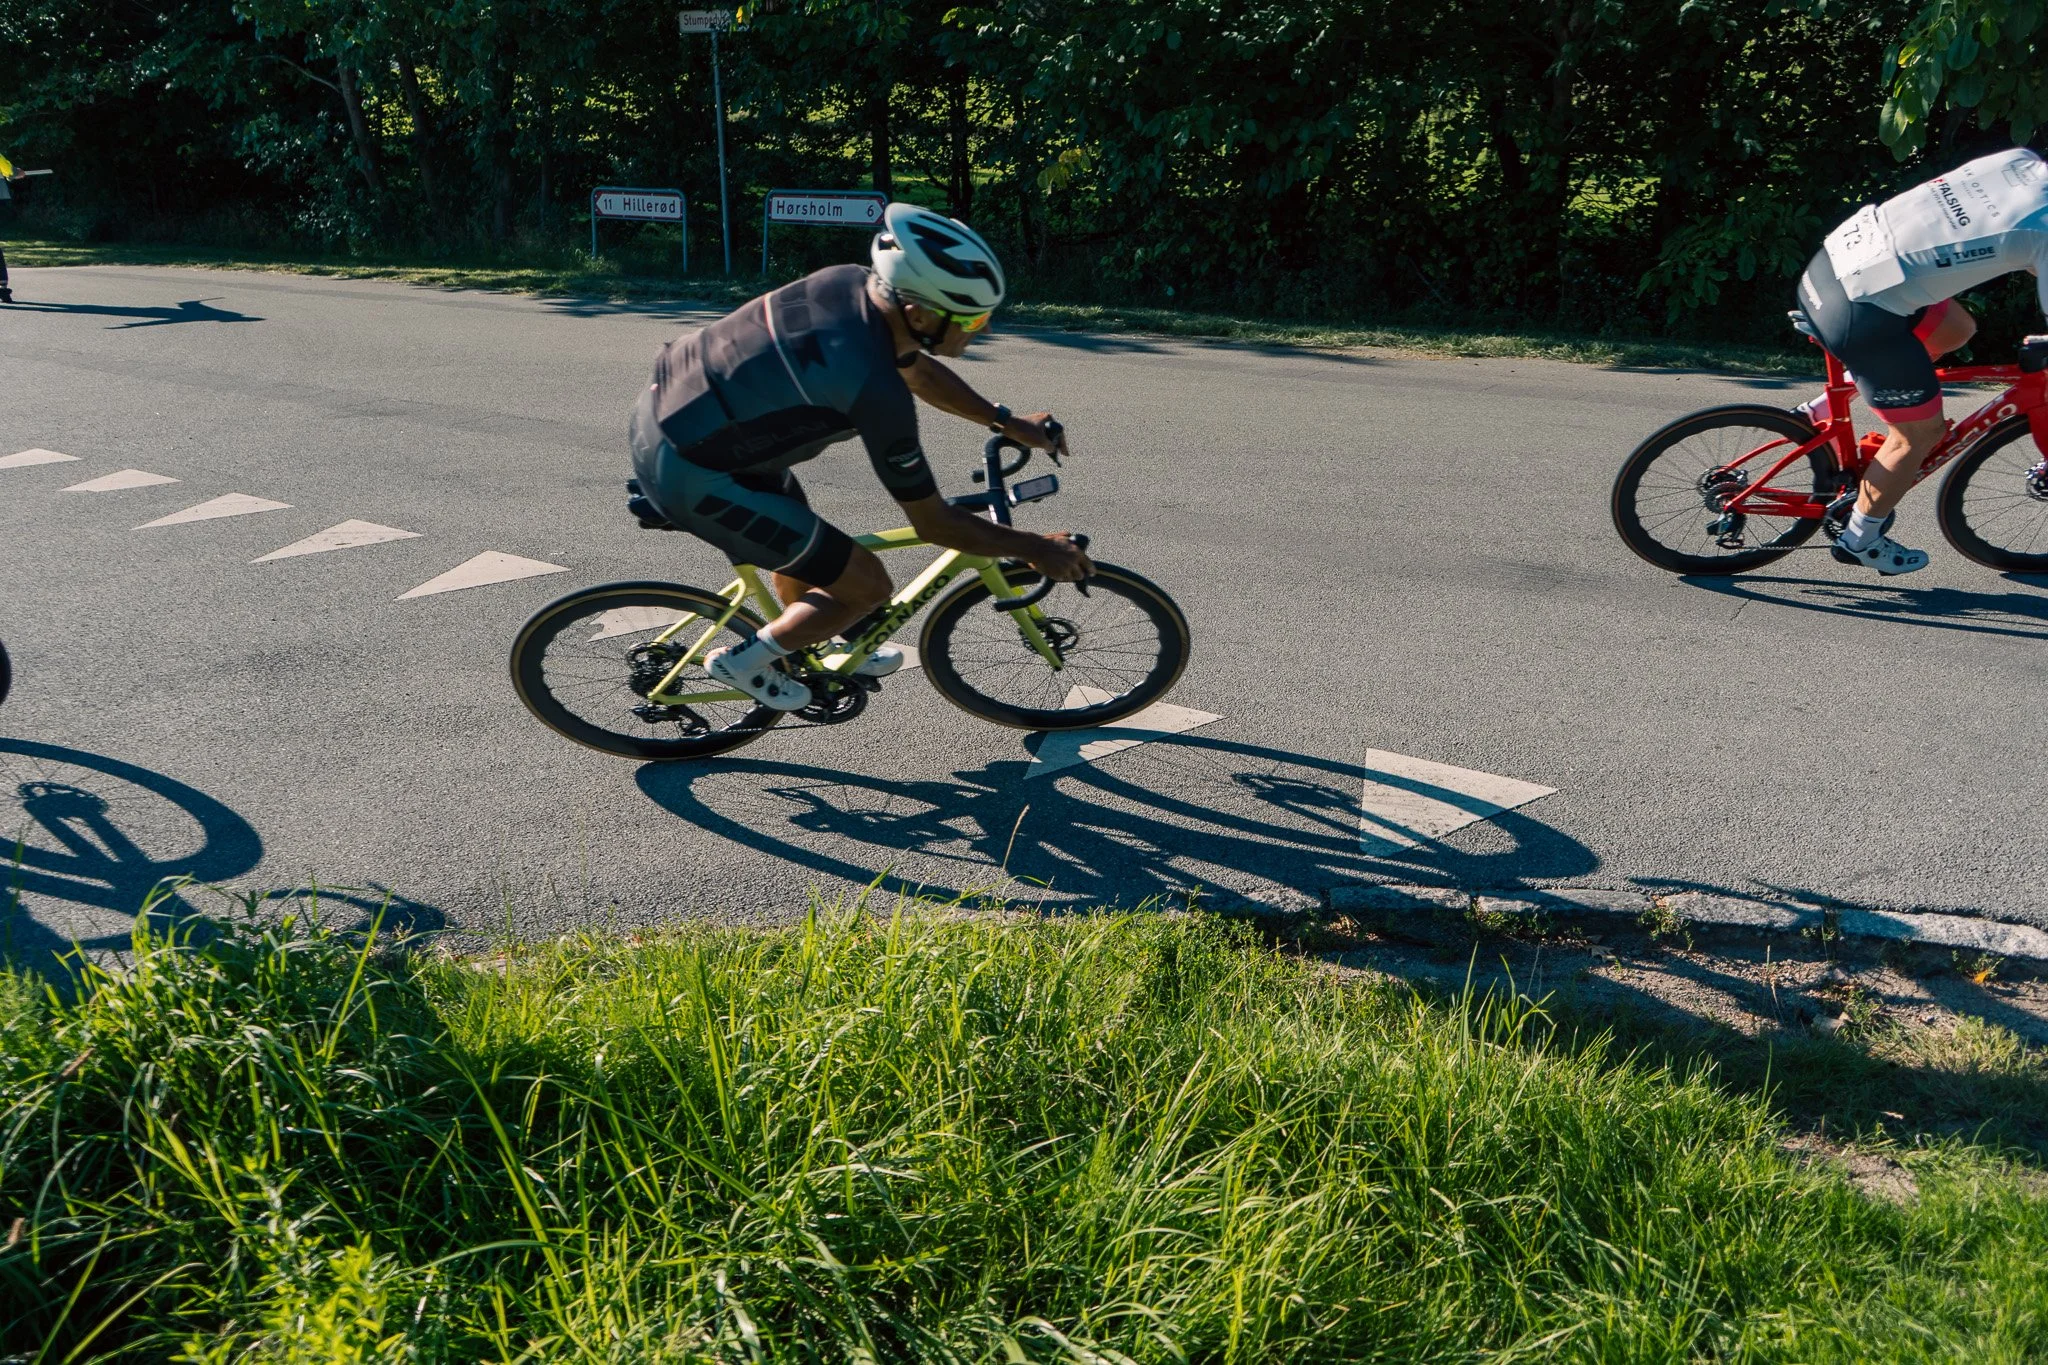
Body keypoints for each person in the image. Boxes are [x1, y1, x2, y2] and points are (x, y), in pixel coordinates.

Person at [629, 201, 1091, 711]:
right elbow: (935, 523)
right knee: (867, 584)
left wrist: (1005, 421)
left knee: (812, 551)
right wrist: (1035, 547)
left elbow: (917, 369)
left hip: (679, 412)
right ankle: (742, 662)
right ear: (918, 312)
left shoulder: (852, 285)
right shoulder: (871, 386)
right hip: (696, 471)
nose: (979, 329)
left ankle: (819, 632)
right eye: (972, 317)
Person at [1792, 146, 2048, 575]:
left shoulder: (2020, 160)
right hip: (1862, 306)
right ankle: (1861, 538)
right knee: (1919, 433)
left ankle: (1816, 413)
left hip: (1837, 264)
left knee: (1956, 330)